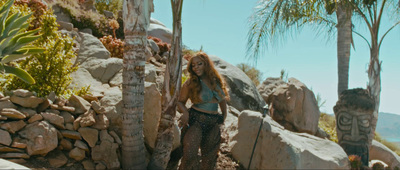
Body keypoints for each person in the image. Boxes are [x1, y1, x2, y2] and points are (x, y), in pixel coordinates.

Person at [177, 52, 230, 170]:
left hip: (213, 123)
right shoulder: (191, 82)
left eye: (199, 64)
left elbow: (222, 100)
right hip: (196, 121)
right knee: (189, 156)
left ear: (206, 64)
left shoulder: (215, 81)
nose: (196, 67)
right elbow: (180, 102)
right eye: (193, 65)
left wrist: (224, 115)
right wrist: (185, 113)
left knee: (209, 160)